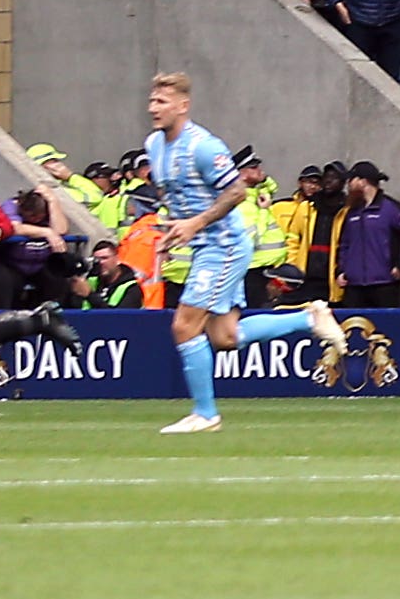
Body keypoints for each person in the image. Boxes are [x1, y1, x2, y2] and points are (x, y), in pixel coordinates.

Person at [141, 71, 382, 431]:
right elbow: (177, 194)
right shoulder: (154, 146)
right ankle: (308, 319)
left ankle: (206, 414)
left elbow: (236, 192)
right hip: (203, 243)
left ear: (183, 106)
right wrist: (176, 228)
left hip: (223, 245)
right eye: (152, 100)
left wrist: (195, 224)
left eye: (161, 101)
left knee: (184, 326)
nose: (153, 108)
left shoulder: (204, 146)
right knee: (224, 338)